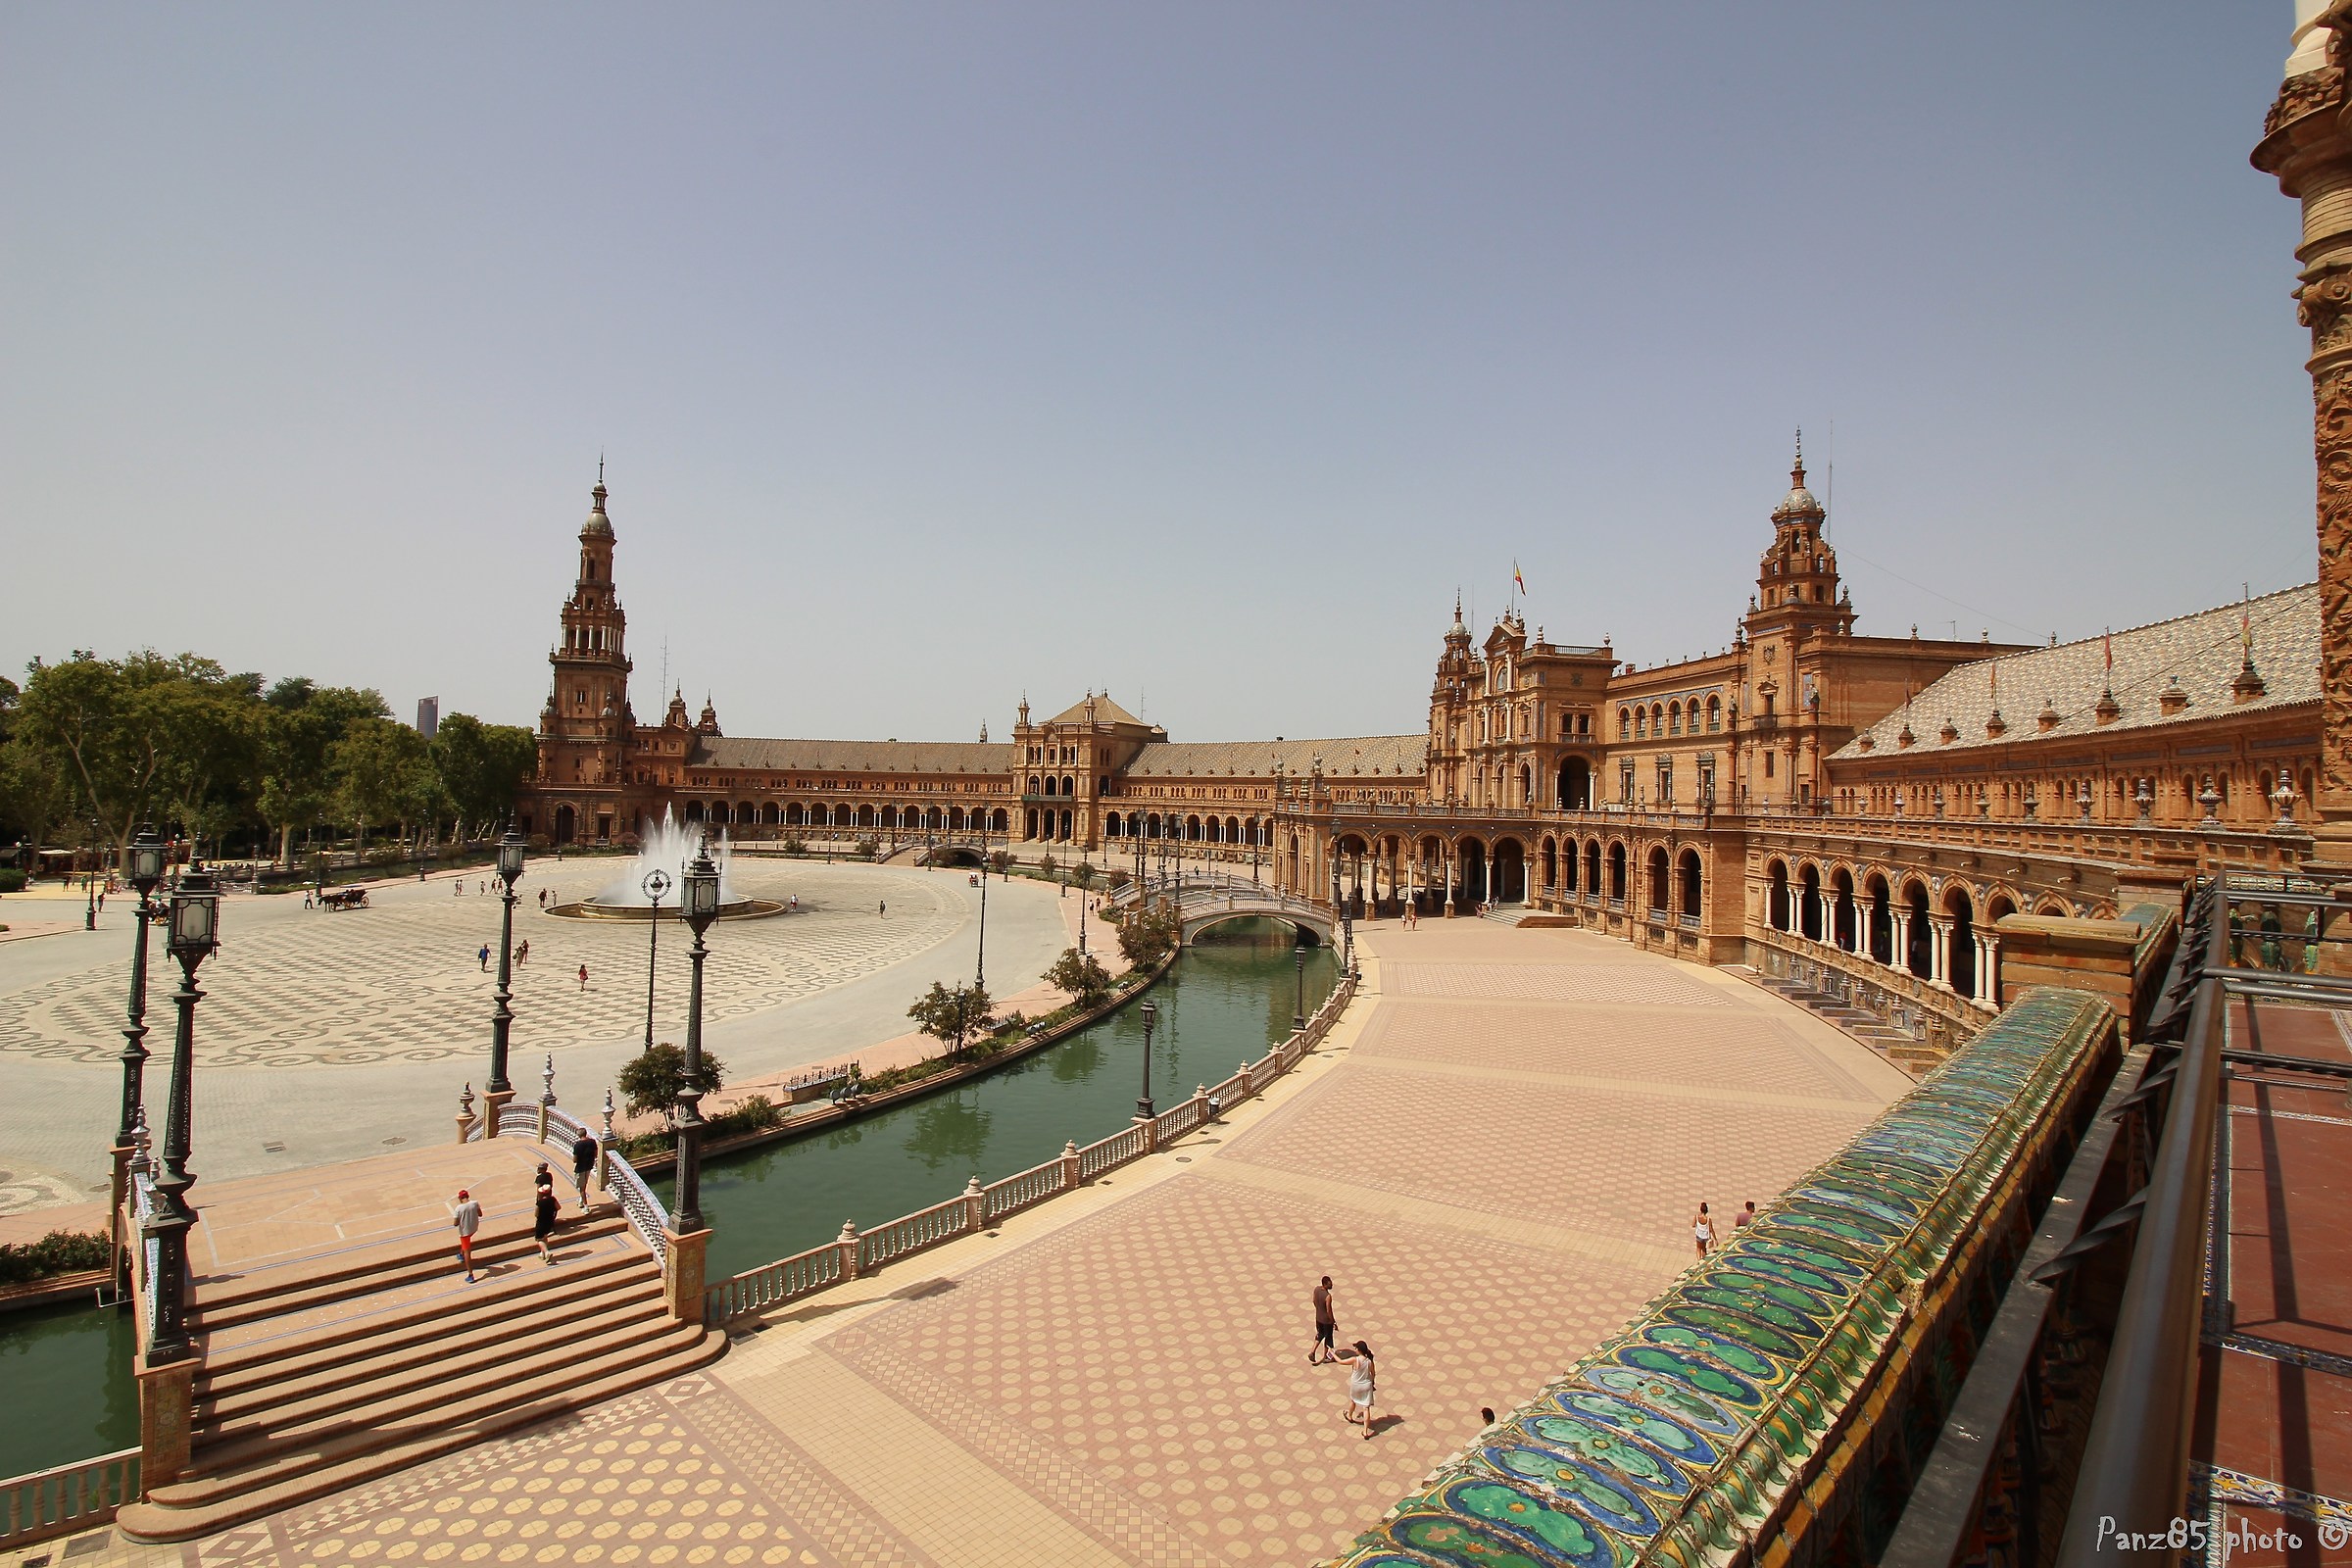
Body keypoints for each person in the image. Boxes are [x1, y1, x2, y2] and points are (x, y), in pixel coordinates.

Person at [1335, 1341, 1377, 1437]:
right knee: (1366, 1408)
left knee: (1353, 1401)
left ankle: (1349, 1415)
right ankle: (1365, 1432)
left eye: (1356, 1348)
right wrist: (1372, 1382)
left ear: (1359, 1350)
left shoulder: (1355, 1360)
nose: (1355, 1350)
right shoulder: (1369, 1361)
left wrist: (1332, 1354)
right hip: (1367, 1385)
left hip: (1356, 1385)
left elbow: (1340, 1362)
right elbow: (1373, 1373)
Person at [452, 1188, 483, 1281]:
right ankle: (461, 1253)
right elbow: (480, 1214)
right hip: (473, 1228)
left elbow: (455, 1223)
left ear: (460, 1198)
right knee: (465, 1244)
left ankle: (470, 1274)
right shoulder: (475, 1203)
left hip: (465, 1232)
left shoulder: (458, 1208)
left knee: (467, 1252)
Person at [1307, 1276, 1338, 1364]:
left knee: (1320, 1334)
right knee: (1328, 1339)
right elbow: (1329, 1310)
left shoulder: (1316, 1289)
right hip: (1326, 1321)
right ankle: (1327, 1357)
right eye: (1329, 1283)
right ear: (1325, 1284)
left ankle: (1312, 1351)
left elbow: (1314, 1301)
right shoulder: (1328, 1296)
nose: (1331, 1284)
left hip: (1318, 1318)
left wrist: (1319, 1310)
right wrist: (1333, 1321)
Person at [533, 1178, 561, 1265]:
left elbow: (536, 1214)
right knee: (545, 1237)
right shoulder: (552, 1199)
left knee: (539, 1239)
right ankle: (543, 1254)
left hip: (541, 1222)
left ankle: (547, 1252)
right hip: (550, 1221)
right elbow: (558, 1207)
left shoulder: (540, 1203)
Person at [570, 1130, 599, 1208]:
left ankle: (586, 1206)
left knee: (582, 1189)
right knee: (584, 1184)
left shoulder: (577, 1145)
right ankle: (581, 1200)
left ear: (578, 1135)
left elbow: (575, 1160)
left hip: (580, 1168)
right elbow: (596, 1153)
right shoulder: (592, 1142)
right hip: (589, 1166)